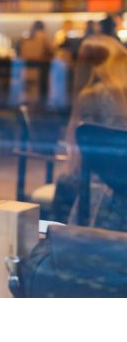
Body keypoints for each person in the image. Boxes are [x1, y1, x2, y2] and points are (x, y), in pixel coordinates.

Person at [52, 34, 127, 229]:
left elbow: (78, 158)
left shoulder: (90, 96)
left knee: (65, 183)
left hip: (104, 183)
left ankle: (62, 242)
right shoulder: (120, 91)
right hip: (118, 183)